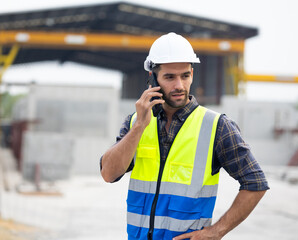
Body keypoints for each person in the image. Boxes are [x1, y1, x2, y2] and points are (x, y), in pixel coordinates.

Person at [100, 32, 269, 240]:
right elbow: (109, 174)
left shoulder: (217, 126)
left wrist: (217, 231)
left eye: (185, 76)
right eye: (170, 77)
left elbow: (256, 182)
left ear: (192, 73)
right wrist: (139, 128)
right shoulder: (136, 122)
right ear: (152, 78)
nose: (179, 85)